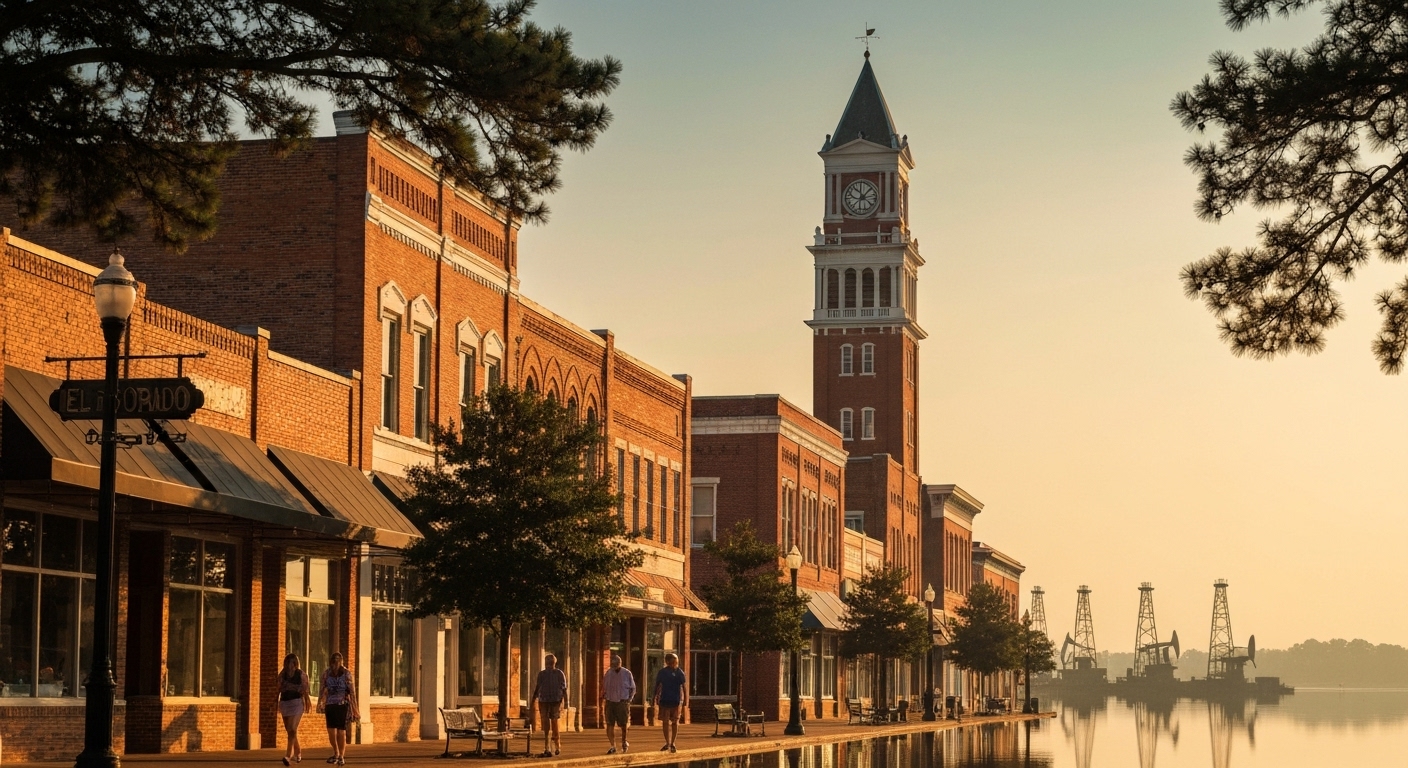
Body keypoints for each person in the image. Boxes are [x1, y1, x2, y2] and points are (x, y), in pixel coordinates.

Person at [316, 652, 358, 766]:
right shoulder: (326, 674)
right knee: (331, 732)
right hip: (330, 704)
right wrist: (320, 703)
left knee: (341, 732)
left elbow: (352, 692)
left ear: (341, 662)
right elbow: (322, 689)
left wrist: (355, 709)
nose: (335, 664)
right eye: (333, 662)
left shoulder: (346, 674)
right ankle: (336, 752)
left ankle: (341, 756)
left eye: (338, 661)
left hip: (342, 704)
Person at [276, 653, 313, 766]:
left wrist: (307, 701)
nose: (290, 666)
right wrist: (275, 701)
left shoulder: (301, 674)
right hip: (285, 702)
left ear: (296, 664)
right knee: (290, 730)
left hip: (297, 703)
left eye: (292, 663)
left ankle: (288, 755)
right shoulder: (283, 674)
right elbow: (278, 686)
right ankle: (298, 751)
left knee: (292, 728)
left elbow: (305, 689)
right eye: (288, 663)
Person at [529, 653, 568, 757]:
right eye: (548, 662)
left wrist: (566, 701)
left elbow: (564, 688)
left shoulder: (559, 673)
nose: (549, 664)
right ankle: (548, 745)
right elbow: (538, 687)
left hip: (555, 700)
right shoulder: (542, 674)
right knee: (547, 723)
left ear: (554, 663)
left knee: (553, 722)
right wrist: (534, 699)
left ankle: (556, 744)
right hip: (545, 700)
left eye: (550, 662)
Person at [651, 653, 687, 753]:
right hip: (664, 700)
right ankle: (667, 743)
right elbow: (657, 685)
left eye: (675, 662)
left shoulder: (680, 672)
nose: (673, 664)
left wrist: (685, 701)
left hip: (676, 701)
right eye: (671, 662)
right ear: (667, 662)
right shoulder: (662, 672)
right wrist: (653, 698)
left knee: (675, 722)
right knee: (665, 722)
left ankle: (673, 743)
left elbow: (684, 687)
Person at [600, 654, 636, 754]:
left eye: (616, 664)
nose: (614, 666)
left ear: (620, 664)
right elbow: (604, 687)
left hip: (622, 701)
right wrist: (603, 696)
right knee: (609, 724)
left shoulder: (627, 673)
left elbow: (633, 688)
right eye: (613, 664)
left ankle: (624, 741)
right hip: (610, 701)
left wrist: (629, 700)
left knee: (623, 724)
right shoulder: (608, 673)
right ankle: (612, 745)